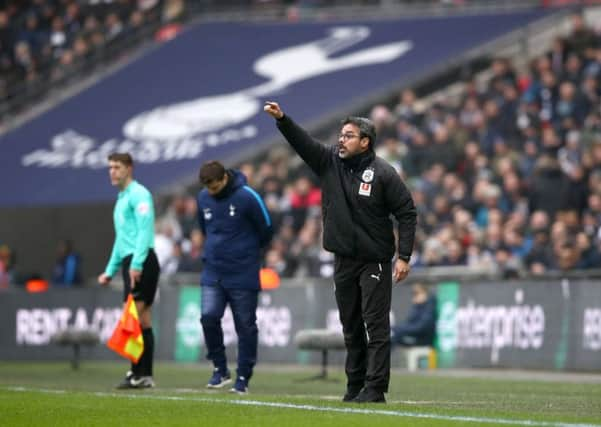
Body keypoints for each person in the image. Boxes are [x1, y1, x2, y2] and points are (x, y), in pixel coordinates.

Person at [264, 102, 417, 403]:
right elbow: (303, 143)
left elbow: (407, 213)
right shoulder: (329, 162)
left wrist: (404, 256)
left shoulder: (384, 173)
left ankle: (375, 389)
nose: (341, 140)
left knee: (375, 326)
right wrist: (283, 119)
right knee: (350, 326)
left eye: (348, 135)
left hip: (374, 261)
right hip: (343, 260)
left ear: (365, 142)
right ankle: (354, 385)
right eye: (341, 135)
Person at [197, 160, 273, 395]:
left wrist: (247, 253)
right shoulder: (202, 198)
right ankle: (220, 369)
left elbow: (267, 228)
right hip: (213, 271)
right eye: (207, 188)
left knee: (245, 326)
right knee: (208, 318)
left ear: (224, 179)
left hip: (243, 273)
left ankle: (243, 377)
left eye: (214, 187)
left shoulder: (247, 196)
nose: (211, 192)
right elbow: (204, 228)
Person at [97, 152, 160, 389]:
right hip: (130, 260)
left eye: (117, 167)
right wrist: (110, 270)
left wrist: (136, 264)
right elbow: (121, 239)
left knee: (132, 317)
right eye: (110, 167)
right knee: (142, 320)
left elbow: (144, 231)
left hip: (141, 261)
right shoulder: (122, 198)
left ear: (129, 168)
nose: (112, 171)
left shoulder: (140, 195)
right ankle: (144, 374)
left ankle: (136, 372)